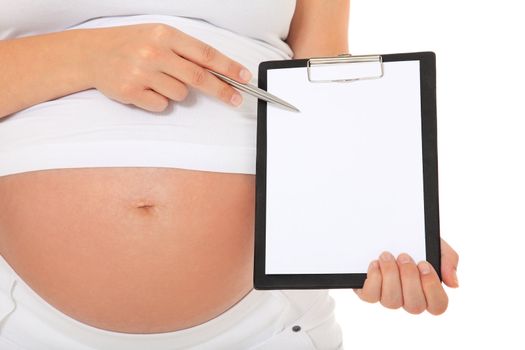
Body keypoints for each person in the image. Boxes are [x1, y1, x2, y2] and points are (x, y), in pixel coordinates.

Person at [0, 0, 459, 349]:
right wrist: (83, 55)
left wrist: (378, 221)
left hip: (267, 323)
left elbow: (322, 79)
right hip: (17, 315)